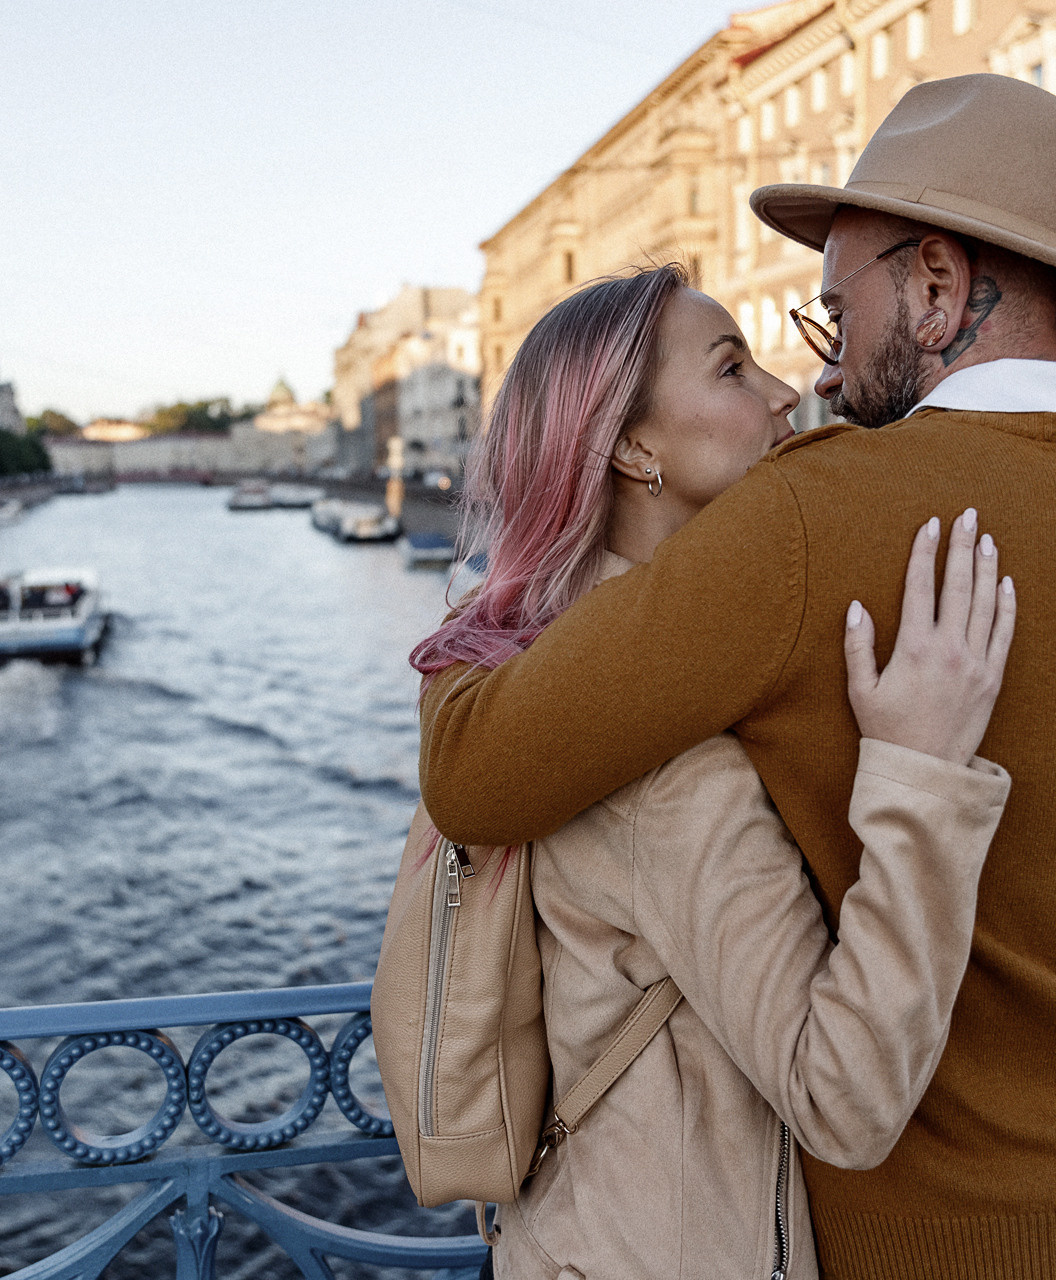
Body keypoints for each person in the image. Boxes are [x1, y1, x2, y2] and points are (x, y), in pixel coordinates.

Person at [418, 75, 1056, 1280]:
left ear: (939, 285)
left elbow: (478, 771)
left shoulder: (813, 515)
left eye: (835, 317)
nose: (824, 372)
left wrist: (478, 623)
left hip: (927, 1242)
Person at [410, 264, 1015, 1279]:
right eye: (733, 367)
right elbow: (849, 1096)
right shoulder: (655, 757)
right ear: (632, 444)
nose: (785, 392)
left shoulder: (573, 674)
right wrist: (922, 776)